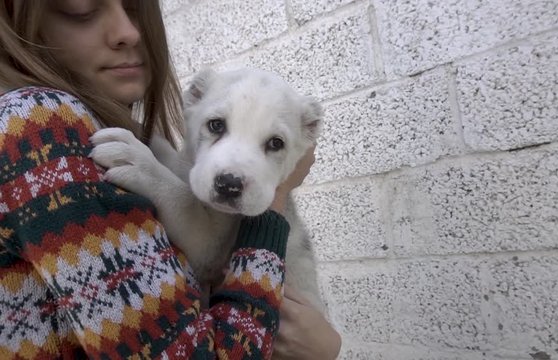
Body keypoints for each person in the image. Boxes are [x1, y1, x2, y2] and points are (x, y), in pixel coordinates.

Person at [0, 0, 340, 359]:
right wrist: (275, 199)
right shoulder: (37, 124)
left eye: (136, 9)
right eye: (81, 9)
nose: (128, 32)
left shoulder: (113, 129)